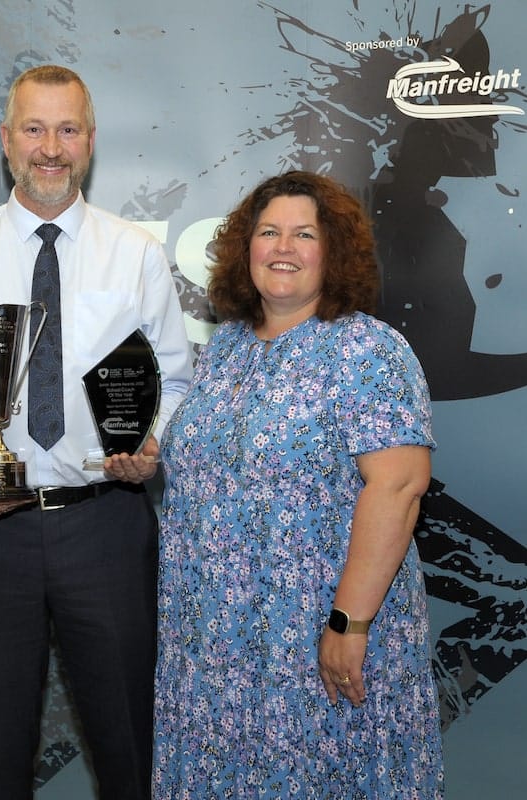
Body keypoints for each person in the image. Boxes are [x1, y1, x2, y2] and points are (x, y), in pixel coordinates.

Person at [0, 65, 192, 798]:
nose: (50, 148)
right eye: (34, 128)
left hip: (106, 525)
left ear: (90, 143)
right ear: (6, 141)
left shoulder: (136, 254)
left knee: (130, 744)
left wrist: (151, 444)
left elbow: (175, 378)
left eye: (68, 129)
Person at [153, 171, 444, 798]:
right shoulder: (226, 348)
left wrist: (350, 622)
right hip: (214, 651)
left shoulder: (369, 349)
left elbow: (398, 488)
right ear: (245, 248)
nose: (283, 247)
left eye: (304, 234)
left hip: (316, 641)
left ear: (332, 252)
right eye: (268, 232)